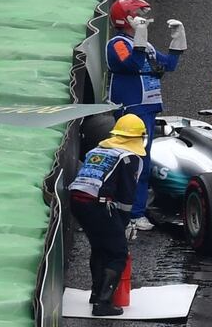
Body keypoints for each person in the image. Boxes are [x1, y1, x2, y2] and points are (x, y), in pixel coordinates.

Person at [106, 0, 185, 231]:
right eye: (139, 12)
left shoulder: (146, 45)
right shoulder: (117, 43)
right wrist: (140, 39)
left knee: (144, 160)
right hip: (131, 110)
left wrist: (177, 41)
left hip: (148, 108)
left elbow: (168, 64)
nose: (144, 16)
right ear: (128, 17)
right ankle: (130, 213)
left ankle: (136, 209)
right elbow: (131, 64)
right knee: (132, 161)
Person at [69, 114, 146, 316]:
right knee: (118, 253)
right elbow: (127, 196)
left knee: (100, 246)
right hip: (99, 204)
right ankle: (103, 304)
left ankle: (96, 293)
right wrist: (124, 224)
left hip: (76, 200)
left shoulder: (98, 149)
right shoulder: (129, 158)